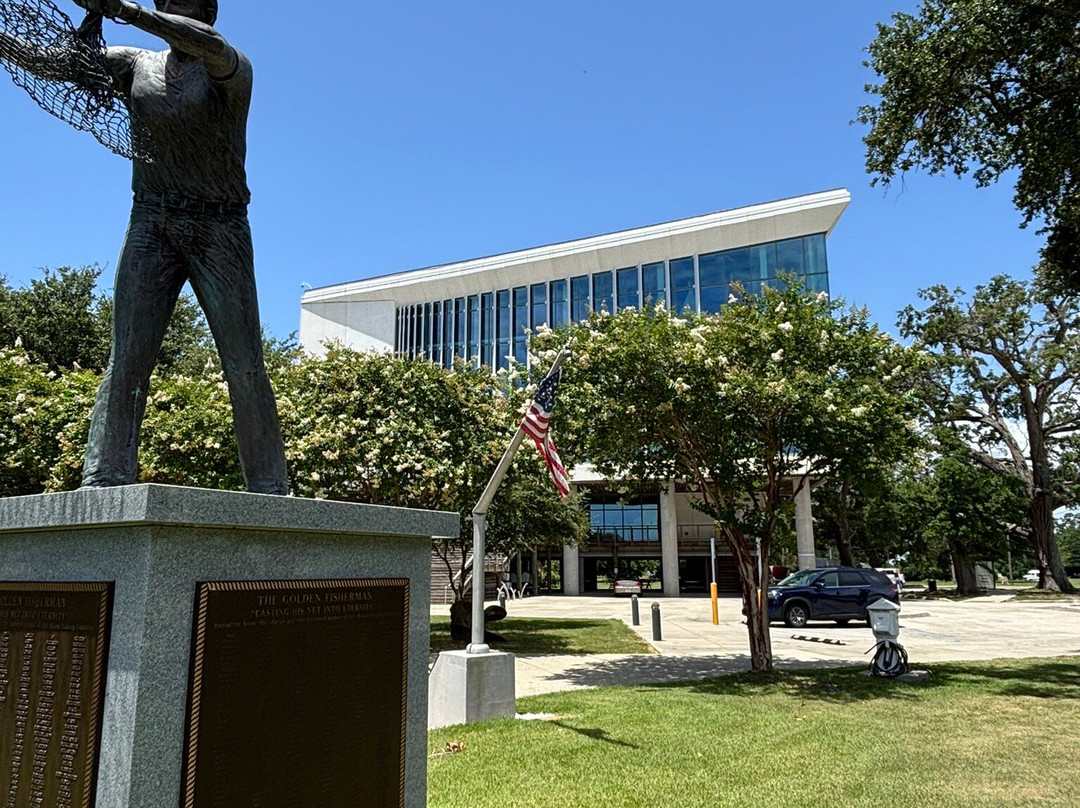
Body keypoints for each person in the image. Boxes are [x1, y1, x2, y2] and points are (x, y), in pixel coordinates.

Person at [1, 0, 288, 494]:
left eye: (190, 1)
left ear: (209, 11)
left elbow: (206, 45)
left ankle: (268, 486)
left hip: (220, 228)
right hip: (152, 220)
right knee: (128, 357)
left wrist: (121, 10)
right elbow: (52, 62)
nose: (178, 6)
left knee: (243, 363)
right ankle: (105, 474)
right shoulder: (137, 65)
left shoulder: (230, 66)